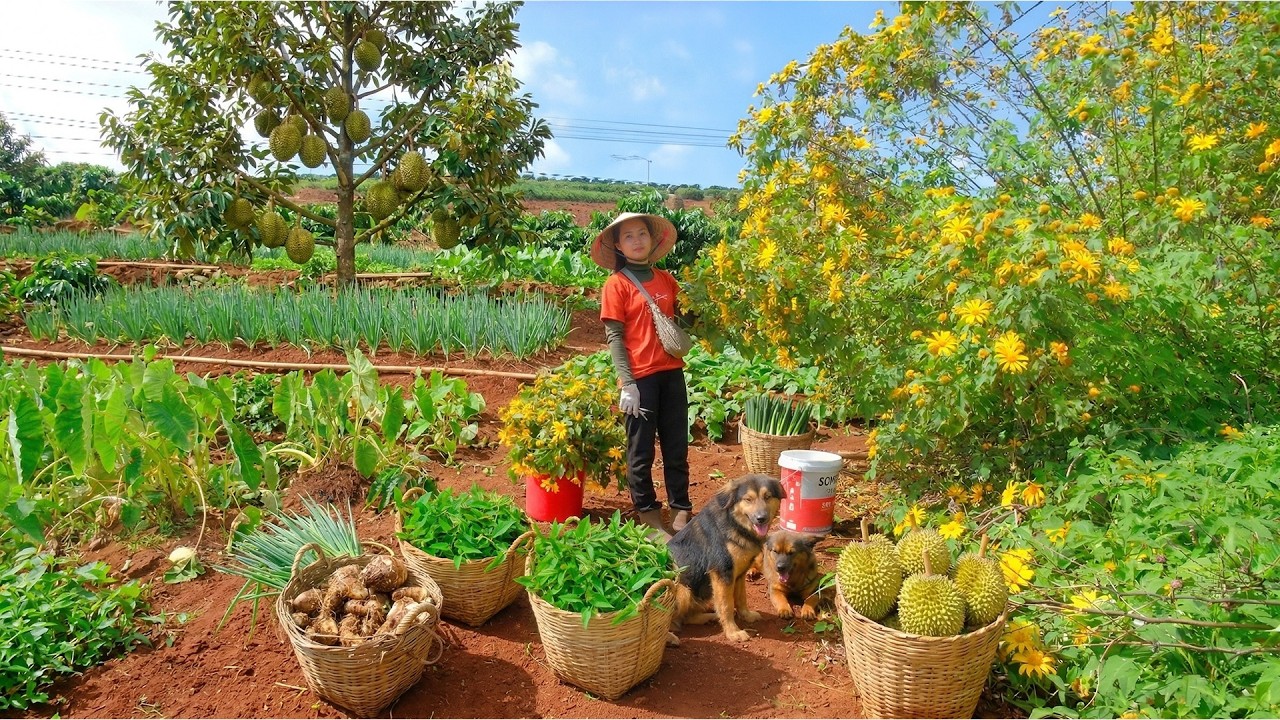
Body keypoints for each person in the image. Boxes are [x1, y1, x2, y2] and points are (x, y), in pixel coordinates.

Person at [590, 212, 692, 539]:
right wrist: (628, 383)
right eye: (628, 236)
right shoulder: (616, 285)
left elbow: (687, 320)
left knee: (676, 447)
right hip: (641, 379)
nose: (636, 241)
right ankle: (648, 513)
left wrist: (704, 300)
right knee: (640, 452)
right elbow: (615, 338)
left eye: (641, 234)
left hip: (671, 373)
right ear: (618, 245)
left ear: (652, 239)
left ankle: (680, 508)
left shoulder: (666, 280)